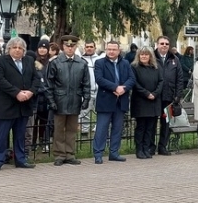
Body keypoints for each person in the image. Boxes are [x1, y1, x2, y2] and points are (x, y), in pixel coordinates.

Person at [0, 37, 41, 171]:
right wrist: (17, 93)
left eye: (20, 48)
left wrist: (31, 92)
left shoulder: (29, 61)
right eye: (14, 47)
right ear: (9, 49)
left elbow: (36, 78)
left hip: (23, 106)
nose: (17, 50)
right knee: (1, 136)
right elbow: (0, 80)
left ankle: (20, 159)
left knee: (20, 135)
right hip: (6, 105)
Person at [46, 35, 90, 166]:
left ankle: (70, 154)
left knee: (71, 129)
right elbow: (49, 84)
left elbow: (86, 83)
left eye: (72, 46)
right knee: (59, 129)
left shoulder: (82, 63)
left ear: (75, 47)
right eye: (67, 46)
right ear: (62, 47)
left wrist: (86, 98)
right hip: (59, 100)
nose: (69, 48)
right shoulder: (55, 62)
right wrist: (51, 101)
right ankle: (59, 155)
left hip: (75, 99)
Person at [93, 41, 134, 163]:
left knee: (117, 128)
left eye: (114, 49)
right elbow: (99, 79)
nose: (111, 52)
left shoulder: (125, 63)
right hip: (106, 100)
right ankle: (98, 154)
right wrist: (115, 87)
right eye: (109, 49)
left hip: (120, 100)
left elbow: (132, 79)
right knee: (102, 128)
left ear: (119, 51)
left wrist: (123, 88)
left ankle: (114, 152)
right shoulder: (100, 63)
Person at [153, 36, 183, 156]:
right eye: (162, 43)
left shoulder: (174, 59)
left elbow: (180, 79)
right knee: (152, 123)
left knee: (166, 123)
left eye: (166, 44)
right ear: (157, 45)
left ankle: (162, 147)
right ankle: (150, 146)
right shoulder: (152, 58)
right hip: (154, 97)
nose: (164, 45)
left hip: (169, 97)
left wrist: (178, 95)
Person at [131, 47, 163, 159]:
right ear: (138, 56)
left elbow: (161, 81)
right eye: (142, 55)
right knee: (141, 127)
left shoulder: (156, 67)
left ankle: (146, 148)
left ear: (150, 56)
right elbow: (134, 83)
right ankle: (139, 149)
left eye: (146, 54)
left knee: (150, 127)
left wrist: (155, 93)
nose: (144, 56)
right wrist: (146, 93)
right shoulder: (134, 67)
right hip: (141, 101)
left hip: (154, 101)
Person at [79, 40, 99, 135]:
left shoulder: (99, 60)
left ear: (95, 48)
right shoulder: (81, 60)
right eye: (87, 47)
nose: (89, 48)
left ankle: (98, 128)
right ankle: (84, 130)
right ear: (84, 48)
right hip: (86, 90)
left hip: (99, 90)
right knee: (84, 111)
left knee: (99, 110)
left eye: (91, 47)